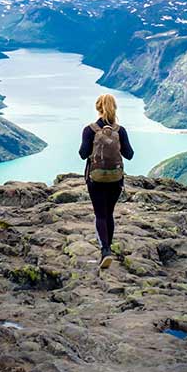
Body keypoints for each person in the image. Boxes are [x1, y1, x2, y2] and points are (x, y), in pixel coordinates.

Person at [78, 94, 133, 269]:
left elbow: (82, 154)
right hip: (115, 179)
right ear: (114, 108)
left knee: (100, 215)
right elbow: (129, 155)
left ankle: (105, 250)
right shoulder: (120, 130)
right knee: (108, 213)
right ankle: (108, 248)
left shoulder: (90, 130)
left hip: (95, 179)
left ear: (97, 108)